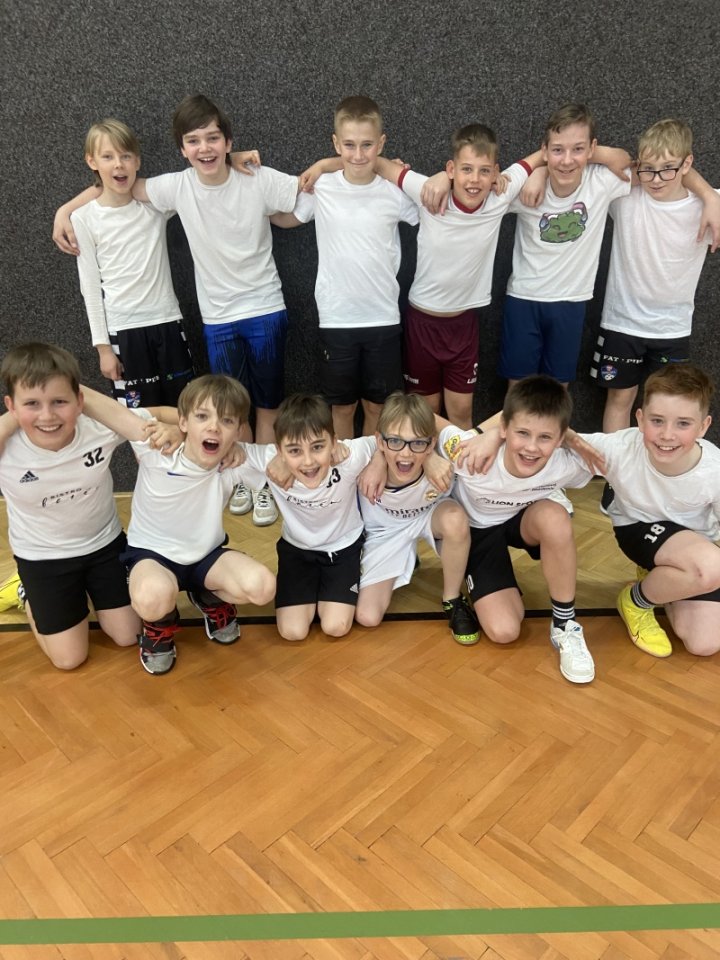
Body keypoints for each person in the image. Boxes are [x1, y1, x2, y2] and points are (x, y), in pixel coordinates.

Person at [53, 95, 304, 527]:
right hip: (169, 327)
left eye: (213, 138)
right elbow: (115, 195)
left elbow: (296, 190)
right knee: (205, 410)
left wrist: (233, 158)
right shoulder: (130, 204)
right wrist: (66, 209)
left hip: (218, 316)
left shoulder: (184, 195)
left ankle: (258, 481)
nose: (118, 165)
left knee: (244, 406)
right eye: (194, 140)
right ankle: (207, 485)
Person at [80, 374, 277, 675]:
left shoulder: (238, 459)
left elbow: (297, 453)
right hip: (152, 557)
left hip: (207, 557)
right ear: (183, 422)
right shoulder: (156, 445)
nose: (213, 427)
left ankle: (208, 593)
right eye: (202, 417)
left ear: (239, 430)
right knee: (152, 597)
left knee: (262, 587)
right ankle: (160, 623)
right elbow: (106, 408)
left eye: (226, 421)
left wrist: (365, 456)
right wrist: (57, 383)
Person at [269, 95, 419, 439]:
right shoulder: (321, 186)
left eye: (367, 145)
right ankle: (345, 469)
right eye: (349, 145)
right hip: (337, 317)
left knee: (377, 407)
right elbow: (286, 218)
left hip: (383, 316)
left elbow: (432, 214)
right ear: (336, 144)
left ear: (381, 143)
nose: (358, 154)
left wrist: (396, 171)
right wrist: (244, 204)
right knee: (342, 407)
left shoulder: (394, 191)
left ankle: (372, 467)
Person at [0, 343, 155, 670]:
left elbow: (151, 422)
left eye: (59, 401)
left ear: (80, 401)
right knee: (69, 660)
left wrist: (172, 429)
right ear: (10, 405)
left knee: (128, 635)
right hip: (43, 558)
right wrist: (29, 408)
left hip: (104, 546)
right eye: (31, 403)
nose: (47, 416)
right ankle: (28, 592)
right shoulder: (7, 446)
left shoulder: (98, 427)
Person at [375, 125, 541, 428]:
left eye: (484, 171)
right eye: (466, 169)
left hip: (463, 325)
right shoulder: (428, 191)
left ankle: (462, 462)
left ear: (496, 173)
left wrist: (540, 172)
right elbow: (378, 163)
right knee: (426, 415)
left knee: (462, 413)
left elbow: (541, 157)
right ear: (451, 169)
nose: (474, 179)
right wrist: (321, 168)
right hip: (422, 324)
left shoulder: (499, 198)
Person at [438, 376, 596, 684]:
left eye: (545, 437)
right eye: (522, 433)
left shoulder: (571, 462)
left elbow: (633, 452)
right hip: (478, 530)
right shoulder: (469, 452)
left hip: (522, 519)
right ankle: (470, 573)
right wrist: (478, 436)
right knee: (504, 631)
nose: (532, 447)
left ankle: (565, 624)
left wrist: (574, 440)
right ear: (504, 428)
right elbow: (424, 417)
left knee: (556, 517)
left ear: (560, 439)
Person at [571, 364, 720, 658]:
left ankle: (663, 578)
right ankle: (636, 601)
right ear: (640, 418)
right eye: (657, 420)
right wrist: (486, 435)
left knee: (704, 644)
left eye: (683, 423)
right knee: (711, 567)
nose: (667, 435)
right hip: (638, 529)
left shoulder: (714, 468)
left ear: (703, 426)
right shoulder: (618, 447)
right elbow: (555, 433)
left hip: (695, 546)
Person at [590, 119, 720, 432]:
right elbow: (583, 159)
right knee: (619, 399)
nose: (656, 179)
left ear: (687, 163)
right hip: (622, 322)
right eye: (648, 169)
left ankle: (658, 463)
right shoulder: (624, 196)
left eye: (667, 169)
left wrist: (710, 197)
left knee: (669, 406)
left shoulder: (708, 205)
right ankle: (616, 466)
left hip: (672, 328)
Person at [498, 103, 632, 389]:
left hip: (571, 301)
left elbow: (629, 161)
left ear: (592, 148)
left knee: (558, 390)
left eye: (578, 149)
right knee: (518, 389)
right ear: (544, 150)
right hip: (524, 298)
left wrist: (708, 197)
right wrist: (538, 169)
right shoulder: (526, 188)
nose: (567, 160)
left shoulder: (601, 181)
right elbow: (498, 185)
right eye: (558, 150)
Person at [71, 119, 194, 407]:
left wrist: (231, 158)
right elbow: (90, 288)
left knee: (185, 409)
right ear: (92, 161)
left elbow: (195, 182)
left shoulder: (154, 206)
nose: (118, 165)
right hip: (123, 331)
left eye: (125, 156)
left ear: (137, 161)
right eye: (107, 156)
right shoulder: (83, 218)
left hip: (167, 322)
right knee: (138, 418)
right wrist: (103, 349)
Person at [238, 393, 378, 642]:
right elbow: (224, 447)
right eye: (294, 450)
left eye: (318, 447)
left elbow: (383, 441)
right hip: (297, 550)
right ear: (279, 450)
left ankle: (334, 587)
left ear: (333, 442)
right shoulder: (268, 461)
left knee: (335, 626)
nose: (308, 461)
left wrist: (378, 463)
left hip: (343, 548)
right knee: (292, 632)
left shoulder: (349, 456)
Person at [354, 392, 479, 644]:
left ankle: (452, 599)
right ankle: (408, 559)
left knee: (455, 519)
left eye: (417, 443)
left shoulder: (445, 452)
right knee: (367, 616)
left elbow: (492, 430)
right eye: (395, 442)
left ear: (431, 443)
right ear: (379, 441)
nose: (406, 454)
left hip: (428, 516)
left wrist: (432, 455)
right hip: (385, 532)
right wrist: (377, 459)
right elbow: (325, 453)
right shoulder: (363, 454)